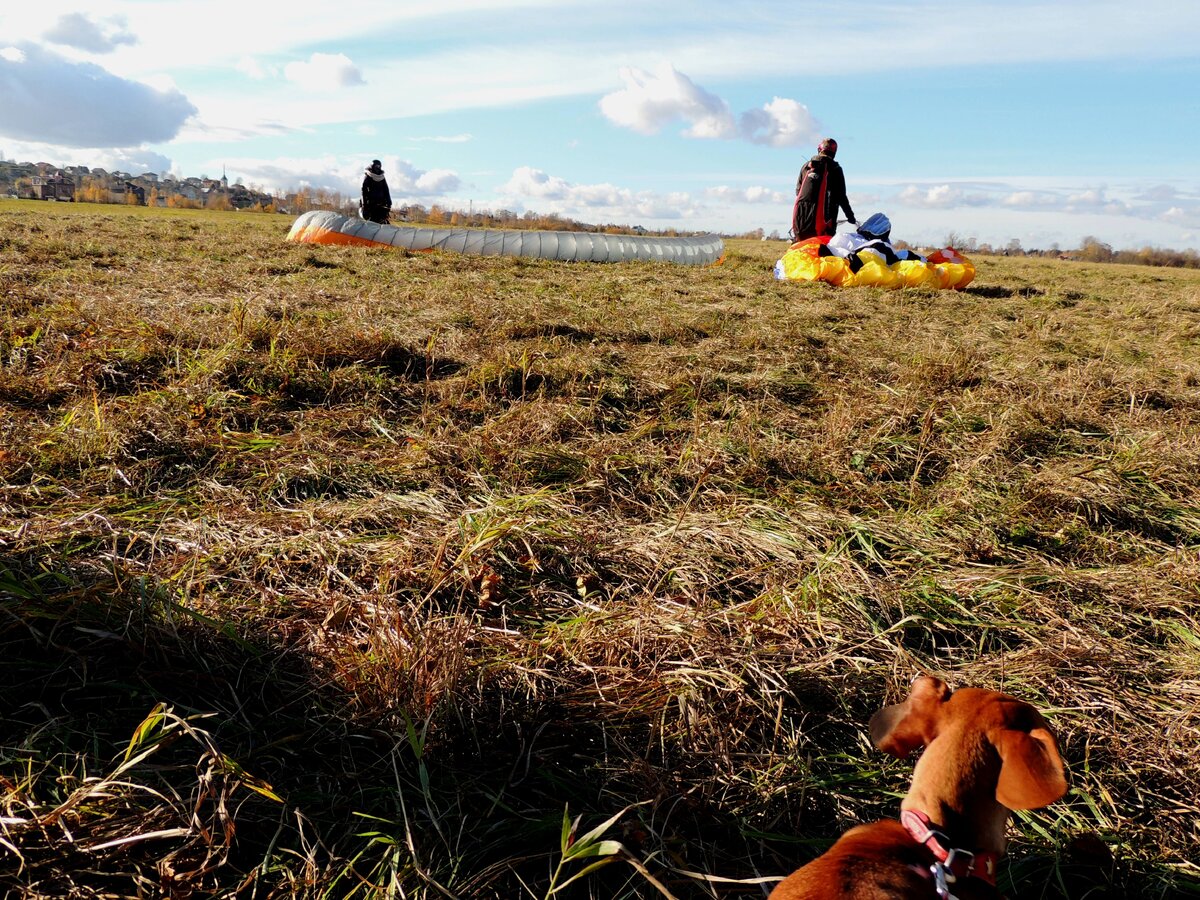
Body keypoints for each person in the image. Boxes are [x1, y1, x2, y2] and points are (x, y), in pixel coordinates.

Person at [791, 138, 855, 241]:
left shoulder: (806, 166)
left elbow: (798, 191)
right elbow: (841, 197)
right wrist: (850, 216)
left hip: (801, 219)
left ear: (819, 149)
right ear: (834, 152)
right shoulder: (835, 168)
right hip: (825, 221)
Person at [361, 159, 391, 224]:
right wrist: (364, 206)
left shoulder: (382, 177)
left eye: (379, 166)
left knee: (384, 222)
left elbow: (386, 190)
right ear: (372, 166)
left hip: (381, 205)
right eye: (376, 166)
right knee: (372, 223)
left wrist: (389, 202)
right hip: (371, 206)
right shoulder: (368, 177)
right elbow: (364, 192)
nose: (377, 168)